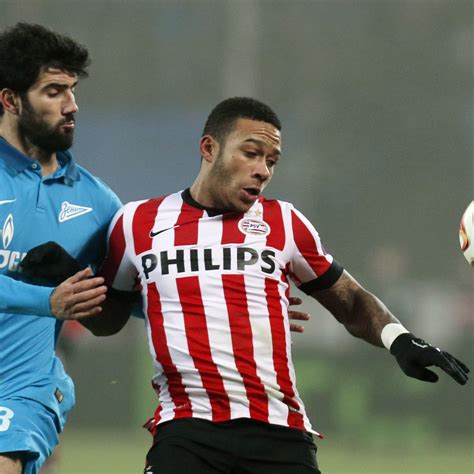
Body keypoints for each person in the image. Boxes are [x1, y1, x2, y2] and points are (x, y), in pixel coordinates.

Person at [72, 96, 469, 473]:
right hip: (187, 431)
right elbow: (109, 319)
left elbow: (349, 300)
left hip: (279, 432)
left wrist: (399, 340)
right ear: (209, 148)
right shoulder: (137, 222)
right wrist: (65, 279)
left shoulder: (284, 222)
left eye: (272, 160)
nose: (263, 170)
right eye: (251, 153)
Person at [0, 23, 120, 474]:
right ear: (10, 100)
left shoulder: (98, 203)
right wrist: (47, 301)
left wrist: (241, 299)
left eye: (72, 90)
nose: (72, 106)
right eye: (54, 91)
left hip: (24, 388)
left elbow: (135, 295)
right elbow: (52, 301)